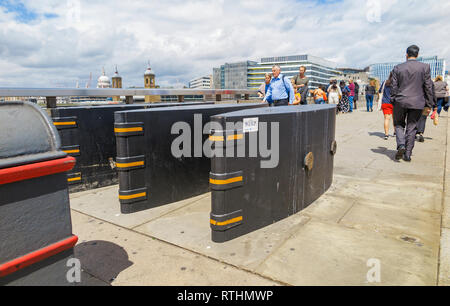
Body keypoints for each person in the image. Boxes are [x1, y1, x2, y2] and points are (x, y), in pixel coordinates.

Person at [391, 45, 434, 162]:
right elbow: (428, 86)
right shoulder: (425, 67)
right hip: (417, 102)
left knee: (399, 124)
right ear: (417, 55)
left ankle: (401, 145)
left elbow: (393, 87)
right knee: (412, 126)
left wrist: (393, 99)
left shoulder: (397, 68)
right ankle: (408, 154)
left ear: (406, 54)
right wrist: (430, 104)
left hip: (400, 101)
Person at [379, 73, 394, 140]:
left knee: (386, 119)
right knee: (395, 119)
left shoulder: (385, 82)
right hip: (394, 103)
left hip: (385, 102)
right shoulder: (397, 83)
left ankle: (386, 134)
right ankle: (395, 132)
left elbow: (380, 91)